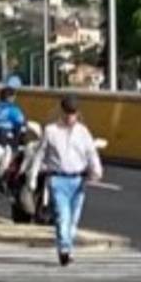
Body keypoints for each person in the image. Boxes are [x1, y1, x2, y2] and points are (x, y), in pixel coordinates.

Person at [39, 96, 103, 267]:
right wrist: (35, 173)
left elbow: (91, 153)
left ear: (77, 114)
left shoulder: (83, 132)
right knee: (63, 216)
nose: (70, 117)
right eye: (67, 113)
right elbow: (41, 153)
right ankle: (64, 249)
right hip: (58, 178)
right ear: (62, 112)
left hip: (78, 180)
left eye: (73, 113)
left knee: (73, 219)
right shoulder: (51, 131)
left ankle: (68, 247)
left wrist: (96, 171)